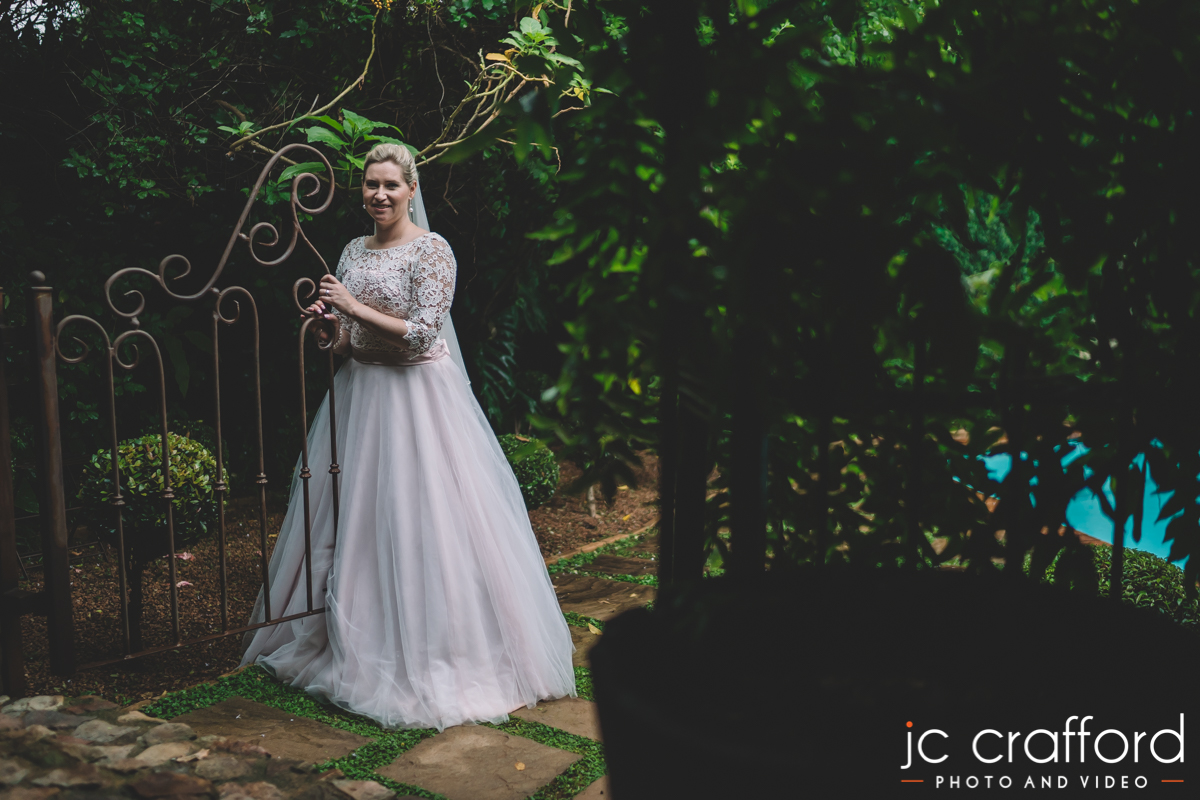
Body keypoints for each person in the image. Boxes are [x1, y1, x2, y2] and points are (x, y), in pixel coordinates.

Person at [239, 143, 576, 731]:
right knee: (357, 518)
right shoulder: (353, 249)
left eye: (391, 185)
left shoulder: (432, 250)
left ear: (411, 189)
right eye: (371, 184)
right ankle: (355, 636)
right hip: (362, 393)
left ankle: (443, 651)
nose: (379, 194)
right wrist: (329, 327)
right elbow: (348, 341)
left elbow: (422, 332)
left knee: (425, 518)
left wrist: (350, 304)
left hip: (419, 399)